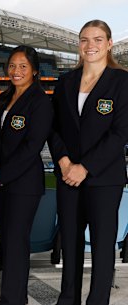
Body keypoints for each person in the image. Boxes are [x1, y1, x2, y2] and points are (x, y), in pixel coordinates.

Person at [48, 19, 128, 305]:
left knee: (103, 246)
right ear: (78, 45)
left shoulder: (122, 81)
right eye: (84, 39)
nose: (90, 45)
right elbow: (53, 127)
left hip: (104, 178)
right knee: (70, 243)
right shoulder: (66, 81)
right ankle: (67, 299)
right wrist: (65, 162)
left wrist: (86, 167)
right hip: (68, 175)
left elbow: (120, 133)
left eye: (97, 39)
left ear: (108, 44)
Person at [0, 45, 53, 305]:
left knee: (16, 242)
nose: (16, 71)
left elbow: (31, 147)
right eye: (12, 65)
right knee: (6, 239)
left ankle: (15, 299)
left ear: (34, 70)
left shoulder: (40, 102)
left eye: (23, 66)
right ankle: (9, 294)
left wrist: (3, 174)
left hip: (23, 184)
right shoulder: (2, 99)